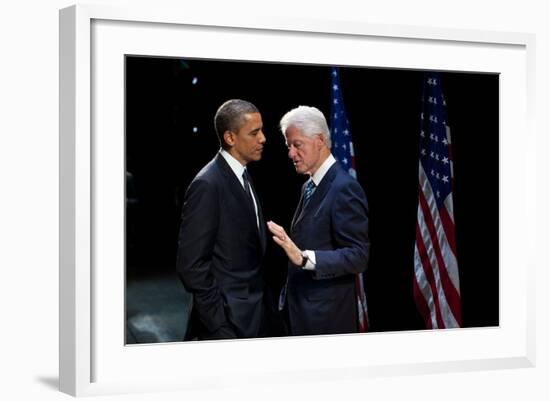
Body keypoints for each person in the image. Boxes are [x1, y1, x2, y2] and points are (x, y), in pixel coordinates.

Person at [267, 105, 370, 336]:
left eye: (297, 145)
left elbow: (358, 256)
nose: (291, 154)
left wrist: (304, 258)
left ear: (320, 140)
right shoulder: (308, 186)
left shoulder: (344, 188)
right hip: (302, 314)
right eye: (288, 146)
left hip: (327, 322)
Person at [176, 99, 267, 340]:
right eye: (255, 132)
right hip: (226, 324)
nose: (263, 139)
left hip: (251, 316)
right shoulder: (208, 184)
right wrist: (219, 325)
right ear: (230, 138)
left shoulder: (242, 175)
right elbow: (191, 266)